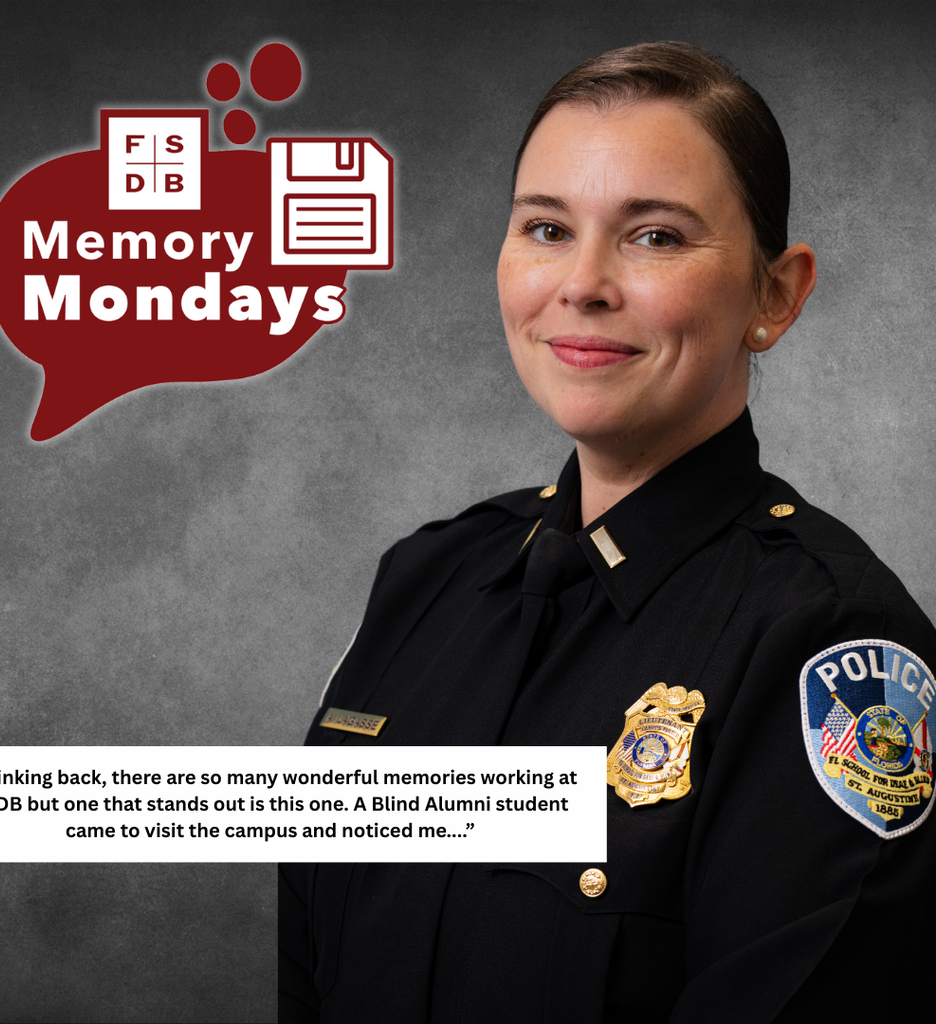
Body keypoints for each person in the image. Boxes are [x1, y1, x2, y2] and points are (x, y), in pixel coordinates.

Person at [279, 41, 936, 1023]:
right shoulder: (424, 580)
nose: (581, 282)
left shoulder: (828, 646)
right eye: (545, 227)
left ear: (775, 294)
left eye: (656, 238)